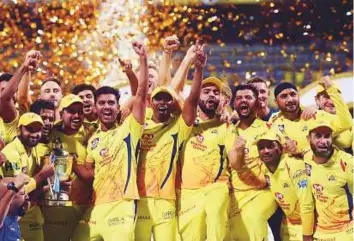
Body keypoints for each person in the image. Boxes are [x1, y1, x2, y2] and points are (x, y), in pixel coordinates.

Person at [72, 40, 149, 241]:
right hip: (96, 207)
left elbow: (140, 95)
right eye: (102, 103)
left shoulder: (129, 129)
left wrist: (143, 58)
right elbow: (89, 174)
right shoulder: (93, 139)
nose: (107, 107)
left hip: (121, 205)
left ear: (118, 107)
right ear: (95, 108)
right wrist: (70, 162)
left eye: (111, 103)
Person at [135, 44, 206, 241]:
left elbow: (192, 98)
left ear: (173, 103)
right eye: (159, 99)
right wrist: (145, 59)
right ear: (151, 102)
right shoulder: (139, 126)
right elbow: (139, 92)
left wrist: (198, 68)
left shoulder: (178, 128)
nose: (163, 103)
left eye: (168, 100)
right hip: (140, 201)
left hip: (166, 201)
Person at [177, 77, 233, 241]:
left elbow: (235, 160)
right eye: (206, 92)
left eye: (216, 93)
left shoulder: (227, 125)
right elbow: (177, 91)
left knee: (216, 230)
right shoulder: (186, 123)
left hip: (216, 187)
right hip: (188, 193)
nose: (212, 95)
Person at [226, 84, 277, 241]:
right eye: (239, 98)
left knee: (253, 218)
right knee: (231, 231)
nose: (243, 101)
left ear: (257, 102)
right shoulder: (228, 130)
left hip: (262, 191)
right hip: (235, 193)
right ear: (234, 104)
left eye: (248, 97)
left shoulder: (269, 128)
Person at [0, 112, 55, 241]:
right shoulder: (11, 154)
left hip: (23, 210)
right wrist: (42, 175)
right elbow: (18, 190)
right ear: (19, 130)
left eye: (38, 130)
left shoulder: (32, 149)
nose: (34, 134)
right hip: (7, 215)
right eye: (29, 129)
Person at [255, 131, 314, 241]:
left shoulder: (294, 165)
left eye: (271, 146)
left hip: (309, 225)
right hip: (288, 225)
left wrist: (307, 235)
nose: (266, 151)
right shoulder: (264, 169)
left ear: (281, 149)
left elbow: (307, 204)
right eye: (261, 148)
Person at [269, 81, 352, 157]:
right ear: (276, 102)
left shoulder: (316, 114)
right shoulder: (272, 123)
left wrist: (332, 89)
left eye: (293, 94)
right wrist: (285, 151)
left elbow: (345, 123)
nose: (290, 99)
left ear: (298, 96)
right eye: (284, 96)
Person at [304, 120, 353, 241]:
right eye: (318, 136)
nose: (324, 141)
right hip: (319, 232)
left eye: (327, 136)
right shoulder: (306, 158)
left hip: (346, 232)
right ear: (308, 139)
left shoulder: (347, 162)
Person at [0, 50, 41, 146]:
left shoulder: (17, 118)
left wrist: (27, 68)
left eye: (12, 91)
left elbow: (22, 98)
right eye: (2, 90)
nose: (9, 94)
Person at [314, 76, 353, 151]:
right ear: (317, 100)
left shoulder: (350, 121)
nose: (331, 102)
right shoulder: (315, 120)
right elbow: (345, 124)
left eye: (334, 97)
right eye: (326, 97)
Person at [0, 173, 30, 241]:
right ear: (9, 201)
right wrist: (14, 188)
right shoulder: (3, 223)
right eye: (22, 193)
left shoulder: (13, 218)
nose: (27, 196)